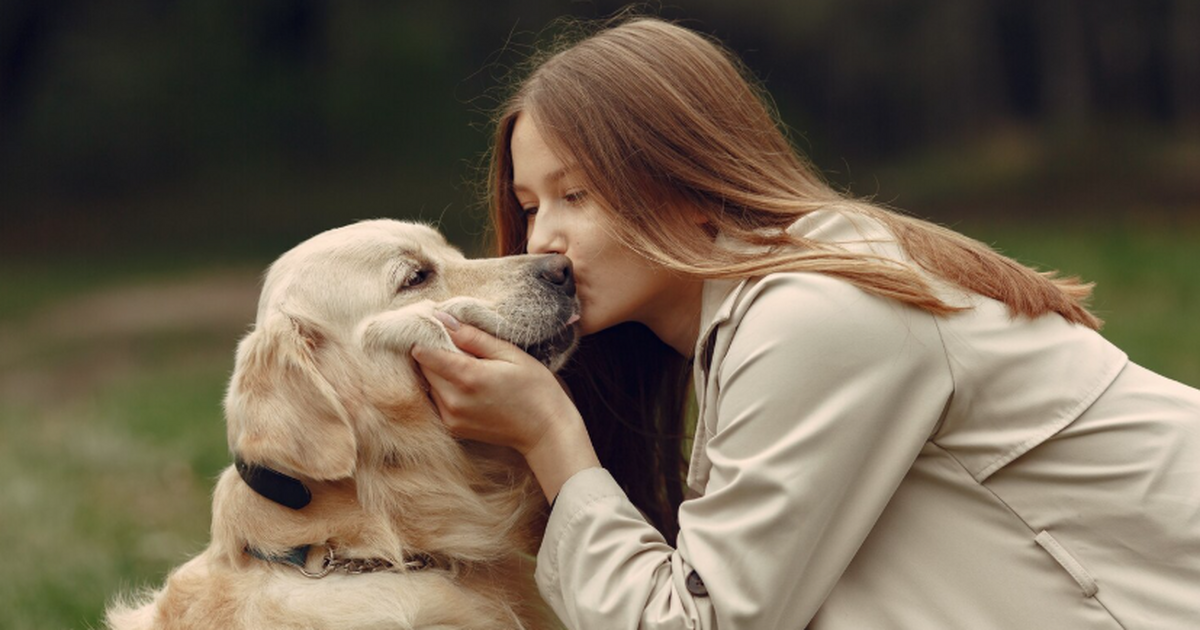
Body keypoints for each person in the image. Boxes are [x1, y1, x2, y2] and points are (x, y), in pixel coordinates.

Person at [410, 16, 1200, 629]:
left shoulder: (817, 315)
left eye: (575, 194)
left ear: (685, 177)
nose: (542, 238)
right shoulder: (764, 315)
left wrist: (551, 434)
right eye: (528, 206)